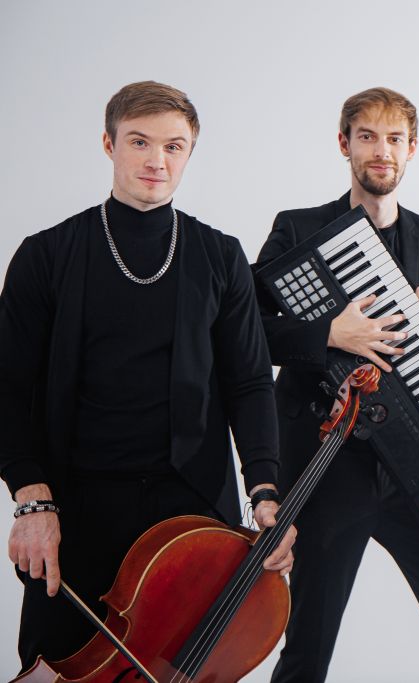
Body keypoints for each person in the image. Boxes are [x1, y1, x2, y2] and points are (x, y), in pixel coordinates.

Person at [0, 80, 295, 673]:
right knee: (57, 667)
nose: (157, 161)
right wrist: (30, 499)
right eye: (139, 142)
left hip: (190, 517)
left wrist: (265, 491)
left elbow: (248, 383)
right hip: (75, 508)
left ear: (189, 153)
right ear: (108, 145)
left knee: (178, 671)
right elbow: (6, 385)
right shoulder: (46, 255)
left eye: (173, 146)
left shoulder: (221, 256)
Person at [256, 87, 419, 683]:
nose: (381, 151)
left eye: (394, 139)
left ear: (412, 149)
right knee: (309, 645)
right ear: (345, 145)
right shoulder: (297, 228)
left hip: (418, 468)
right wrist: (329, 334)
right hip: (329, 463)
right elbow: (247, 333)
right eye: (367, 137)